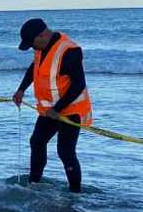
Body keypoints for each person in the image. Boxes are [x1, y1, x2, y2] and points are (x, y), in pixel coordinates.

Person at [12, 18, 92, 193]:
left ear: (42, 35)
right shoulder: (42, 47)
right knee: (37, 142)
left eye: (32, 44)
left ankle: (75, 194)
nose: (32, 48)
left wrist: (58, 109)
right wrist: (21, 90)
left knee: (65, 152)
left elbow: (79, 84)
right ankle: (34, 184)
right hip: (50, 111)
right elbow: (35, 68)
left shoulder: (70, 51)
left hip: (71, 109)